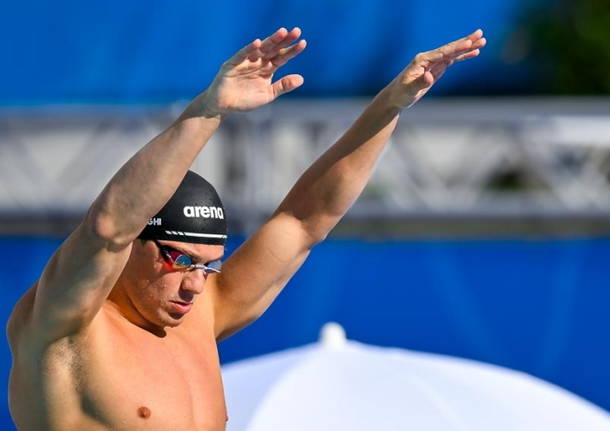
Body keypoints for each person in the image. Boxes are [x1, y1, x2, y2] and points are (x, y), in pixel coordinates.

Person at [7, 27, 486, 430]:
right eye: (178, 259)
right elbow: (108, 226)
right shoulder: (66, 324)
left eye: (208, 266)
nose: (195, 284)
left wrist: (389, 106)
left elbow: (303, 222)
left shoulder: (202, 316)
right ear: (133, 244)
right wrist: (208, 112)